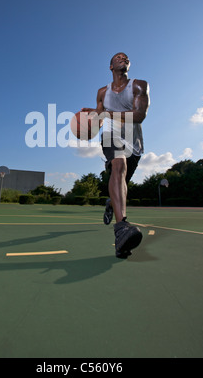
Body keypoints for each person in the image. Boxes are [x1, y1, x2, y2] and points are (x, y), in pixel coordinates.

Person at [82, 52, 150, 258]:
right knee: (118, 167)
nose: (123, 58)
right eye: (118, 57)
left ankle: (111, 203)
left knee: (122, 182)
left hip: (134, 142)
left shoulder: (139, 86)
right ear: (110, 66)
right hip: (111, 136)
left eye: (126, 57)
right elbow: (101, 118)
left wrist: (104, 114)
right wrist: (91, 122)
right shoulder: (103, 92)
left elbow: (139, 116)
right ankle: (121, 228)